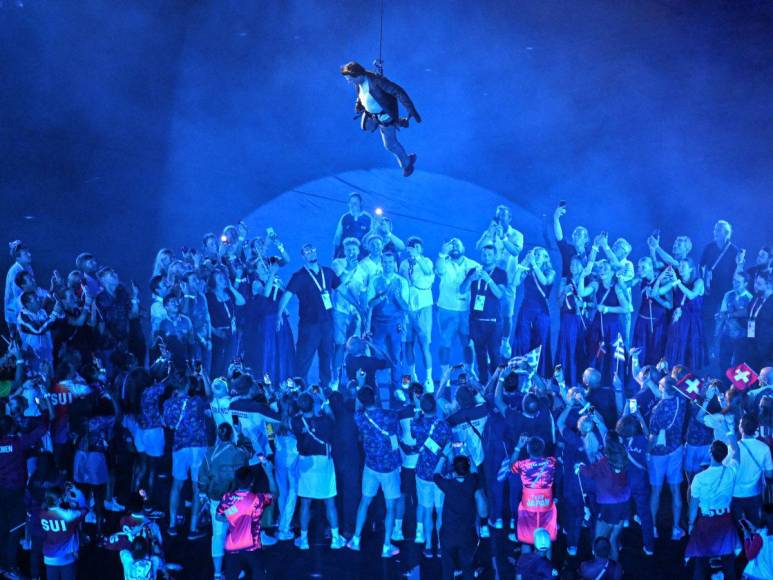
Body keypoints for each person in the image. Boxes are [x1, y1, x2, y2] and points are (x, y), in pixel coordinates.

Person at [340, 61, 422, 176]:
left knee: (390, 145)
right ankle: (397, 122)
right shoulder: (357, 83)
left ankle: (407, 163)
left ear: (357, 74)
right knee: (365, 126)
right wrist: (358, 104)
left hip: (384, 117)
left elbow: (399, 92)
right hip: (372, 116)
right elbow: (360, 95)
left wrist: (411, 110)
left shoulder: (377, 81)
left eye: (350, 78)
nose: (348, 81)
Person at [278, 243, 341, 388]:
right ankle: (300, 391)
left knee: (327, 357)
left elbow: (342, 289)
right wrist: (278, 316)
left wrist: (357, 304)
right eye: (307, 252)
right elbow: (286, 296)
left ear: (316, 252)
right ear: (303, 256)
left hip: (327, 324)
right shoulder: (299, 276)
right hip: (309, 326)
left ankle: (325, 389)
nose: (311, 253)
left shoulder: (328, 272)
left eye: (313, 250)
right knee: (303, 361)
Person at [349, 386, 402, 557]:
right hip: (389, 468)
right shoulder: (390, 415)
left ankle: (356, 540)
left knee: (364, 502)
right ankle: (386, 546)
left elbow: (358, 406)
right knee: (391, 507)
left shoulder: (359, 417)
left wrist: (360, 389)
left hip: (371, 466)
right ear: (376, 396)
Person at [291, 391, 345, 550]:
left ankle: (304, 540)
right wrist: (325, 407)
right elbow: (335, 424)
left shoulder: (295, 422)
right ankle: (335, 540)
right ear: (313, 404)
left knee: (305, 503)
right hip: (324, 463)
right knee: (330, 501)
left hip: (305, 463)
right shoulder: (325, 420)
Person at [199, 422, 250, 579]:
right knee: (237, 532)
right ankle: (237, 569)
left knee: (218, 534)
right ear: (231, 435)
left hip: (217, 498)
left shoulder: (210, 453)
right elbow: (249, 451)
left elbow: (203, 476)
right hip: (235, 499)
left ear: (218, 435)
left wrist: (202, 493)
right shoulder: (238, 452)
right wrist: (241, 434)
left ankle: (217, 572)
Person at [161, 373, 209, 539]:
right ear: (188, 386)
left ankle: (172, 525)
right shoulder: (196, 402)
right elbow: (209, 396)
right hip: (198, 447)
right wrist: (203, 376)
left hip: (180, 447)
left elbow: (167, 423)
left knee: (177, 485)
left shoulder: (168, 403)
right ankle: (193, 529)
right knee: (197, 488)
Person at [686, 440, 739, 579]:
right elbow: (736, 452)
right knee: (728, 558)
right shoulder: (732, 471)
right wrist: (730, 432)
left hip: (706, 521)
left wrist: (691, 524)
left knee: (701, 559)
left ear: (710, 453)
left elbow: (693, 505)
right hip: (725, 519)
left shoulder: (699, 478)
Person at [411, 393, 452, 557]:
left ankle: (428, 545)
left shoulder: (417, 424)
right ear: (435, 407)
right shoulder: (443, 425)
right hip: (440, 473)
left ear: (422, 409)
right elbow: (449, 449)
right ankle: (441, 546)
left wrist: (417, 411)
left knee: (427, 510)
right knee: (440, 512)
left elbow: (413, 433)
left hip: (423, 473)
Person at [216, 466, 273, 580]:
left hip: (232, 546)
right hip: (252, 546)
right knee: (259, 575)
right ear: (252, 482)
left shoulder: (227, 498)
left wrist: (233, 518)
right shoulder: (257, 499)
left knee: (231, 576)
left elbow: (218, 516)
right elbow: (275, 494)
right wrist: (270, 474)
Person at [648, 376, 687, 540]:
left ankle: (654, 528)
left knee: (656, 492)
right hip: (676, 450)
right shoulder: (681, 401)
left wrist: (646, 452)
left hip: (658, 455)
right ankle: (676, 529)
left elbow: (653, 437)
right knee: (676, 490)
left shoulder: (657, 410)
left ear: (662, 388)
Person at [463, 244, 507, 384]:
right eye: (484, 255)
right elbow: (462, 290)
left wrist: (488, 279)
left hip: (493, 322)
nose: (486, 257)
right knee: (480, 356)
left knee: (495, 355)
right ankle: (483, 387)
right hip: (476, 321)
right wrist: (471, 279)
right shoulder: (473, 271)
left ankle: (497, 388)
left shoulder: (501, 273)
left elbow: (500, 294)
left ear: (495, 256)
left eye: (489, 255)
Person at [366, 251, 410, 392]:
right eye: (385, 262)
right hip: (378, 325)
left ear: (394, 264)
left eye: (390, 262)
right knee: (375, 357)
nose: (388, 265)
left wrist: (398, 298)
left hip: (394, 324)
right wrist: (379, 298)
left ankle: (397, 388)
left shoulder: (402, 282)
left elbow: (406, 307)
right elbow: (369, 305)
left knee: (396, 357)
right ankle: (374, 388)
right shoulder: (374, 280)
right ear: (381, 263)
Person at [433, 449, 479, 580]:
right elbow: (475, 472)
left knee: (447, 567)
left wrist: (443, 456)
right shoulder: (472, 483)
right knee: (468, 566)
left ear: (453, 470)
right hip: (467, 535)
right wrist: (469, 454)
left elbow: (435, 475)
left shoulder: (448, 485)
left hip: (448, 534)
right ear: (468, 469)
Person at [436, 238, 479, 376]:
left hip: (466, 310)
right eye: (451, 244)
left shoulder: (473, 264)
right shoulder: (444, 262)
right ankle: (445, 374)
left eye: (457, 244)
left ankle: (469, 369)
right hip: (446, 309)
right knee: (445, 342)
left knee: (467, 342)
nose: (454, 246)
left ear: (464, 248)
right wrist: (442, 254)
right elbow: (439, 270)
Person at [510, 436, 558, 550]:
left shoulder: (522, 465)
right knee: (546, 538)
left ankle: (525, 561)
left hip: (529, 505)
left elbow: (511, 466)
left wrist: (518, 447)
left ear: (527, 450)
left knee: (526, 538)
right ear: (543, 449)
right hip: (546, 505)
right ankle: (546, 562)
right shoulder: (551, 462)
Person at [400, 236, 436, 390]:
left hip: (424, 307)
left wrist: (417, 257)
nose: (412, 249)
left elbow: (428, 272)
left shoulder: (426, 261)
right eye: (410, 247)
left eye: (416, 247)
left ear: (420, 249)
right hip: (408, 308)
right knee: (408, 343)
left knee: (424, 343)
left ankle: (428, 379)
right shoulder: (403, 264)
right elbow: (402, 282)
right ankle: (410, 375)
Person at [515, 247, 556, 377]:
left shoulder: (551, 271)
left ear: (546, 258)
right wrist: (523, 263)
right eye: (535, 253)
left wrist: (533, 264)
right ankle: (523, 375)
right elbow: (515, 282)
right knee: (524, 341)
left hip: (541, 311)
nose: (536, 256)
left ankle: (541, 375)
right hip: (526, 309)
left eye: (540, 254)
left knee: (542, 342)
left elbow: (545, 281)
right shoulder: (528, 270)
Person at [331, 237, 366, 387]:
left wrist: (364, 311)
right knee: (339, 344)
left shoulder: (363, 268)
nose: (351, 252)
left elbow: (363, 292)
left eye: (354, 249)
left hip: (356, 312)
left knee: (357, 344)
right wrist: (350, 268)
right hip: (340, 310)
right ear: (344, 251)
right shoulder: (337, 263)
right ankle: (336, 377)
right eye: (348, 249)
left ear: (358, 251)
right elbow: (338, 282)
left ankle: (356, 377)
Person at [662, 258, 706, 371]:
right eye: (679, 266)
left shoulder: (698, 281)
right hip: (679, 320)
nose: (680, 269)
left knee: (690, 352)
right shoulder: (678, 282)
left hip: (693, 322)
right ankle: (674, 375)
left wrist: (677, 282)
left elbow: (691, 295)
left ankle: (689, 378)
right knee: (676, 349)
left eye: (683, 266)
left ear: (691, 269)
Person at [729, 414, 773, 528]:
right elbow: (769, 475)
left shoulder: (732, 448)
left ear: (741, 428)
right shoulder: (764, 448)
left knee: (737, 529)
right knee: (755, 531)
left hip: (734, 494)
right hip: (755, 495)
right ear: (756, 429)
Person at [556, 255, 594, 387]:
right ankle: (569, 383)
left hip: (583, 320)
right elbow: (559, 303)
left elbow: (594, 304)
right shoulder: (565, 280)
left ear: (583, 266)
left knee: (583, 350)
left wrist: (584, 305)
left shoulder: (589, 281)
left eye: (577, 264)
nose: (574, 267)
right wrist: (564, 292)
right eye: (572, 264)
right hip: (569, 320)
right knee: (569, 350)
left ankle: (583, 382)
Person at [38, 484, 87, 580]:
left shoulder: (42, 513)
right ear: (59, 499)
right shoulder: (68, 515)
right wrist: (78, 493)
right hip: (66, 556)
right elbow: (85, 509)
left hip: (49, 556)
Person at [700, 220, 738, 340]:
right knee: (708, 319)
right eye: (715, 229)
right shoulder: (709, 247)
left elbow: (737, 272)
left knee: (722, 321)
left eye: (718, 230)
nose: (715, 232)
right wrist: (703, 282)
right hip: (709, 290)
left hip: (725, 291)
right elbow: (701, 265)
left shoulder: (733, 250)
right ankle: (707, 346)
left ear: (727, 233)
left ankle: (719, 346)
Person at [631, 256, 672, 366]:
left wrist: (656, 297)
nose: (640, 270)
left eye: (643, 267)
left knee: (656, 353)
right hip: (642, 322)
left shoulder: (663, 281)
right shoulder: (643, 280)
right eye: (639, 267)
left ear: (651, 267)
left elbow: (670, 305)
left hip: (657, 323)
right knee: (639, 352)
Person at [715, 272, 752, 372]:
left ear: (745, 283)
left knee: (738, 365)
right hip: (726, 334)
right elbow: (722, 314)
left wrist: (750, 340)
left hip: (741, 337)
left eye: (738, 282)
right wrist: (717, 334)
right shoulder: (728, 295)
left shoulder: (750, 298)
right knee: (723, 362)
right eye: (734, 281)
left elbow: (751, 321)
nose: (734, 284)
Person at [743, 271, 773, 372]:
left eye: (759, 284)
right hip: (752, 348)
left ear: (769, 285)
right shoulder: (756, 298)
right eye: (755, 283)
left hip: (767, 354)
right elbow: (750, 316)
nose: (755, 286)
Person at [552, 204, 589, 280]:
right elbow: (559, 237)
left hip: (584, 289)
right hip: (566, 286)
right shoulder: (567, 249)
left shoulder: (591, 254)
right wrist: (556, 218)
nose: (575, 236)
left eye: (578, 234)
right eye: (574, 234)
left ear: (586, 239)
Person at [332, 192, 373, 258]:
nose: (353, 205)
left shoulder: (368, 217)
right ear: (348, 204)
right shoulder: (345, 217)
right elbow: (337, 238)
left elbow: (371, 236)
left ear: (360, 203)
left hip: (362, 256)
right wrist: (334, 255)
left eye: (355, 203)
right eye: (351, 203)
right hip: (345, 255)